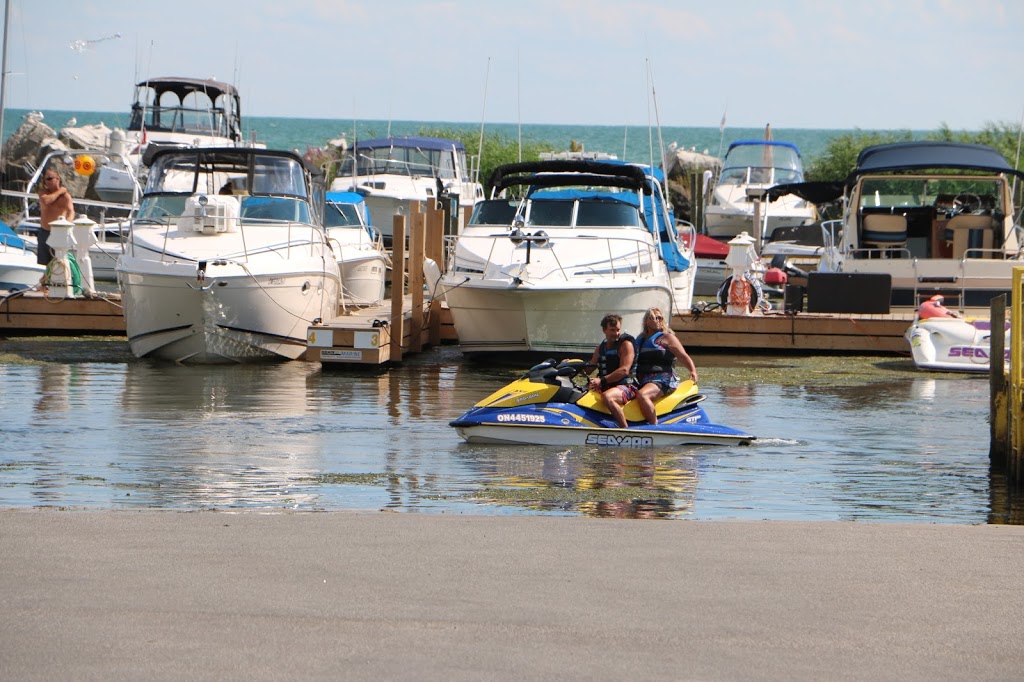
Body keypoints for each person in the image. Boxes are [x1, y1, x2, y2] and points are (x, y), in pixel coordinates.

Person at [633, 307, 698, 425]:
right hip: (642, 379)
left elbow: (683, 356)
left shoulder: (667, 338)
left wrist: (692, 370)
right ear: (646, 321)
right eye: (653, 318)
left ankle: (654, 425)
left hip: (663, 379)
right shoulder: (640, 340)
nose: (657, 320)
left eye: (660, 318)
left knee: (642, 395)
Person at [586, 313, 636, 429]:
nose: (616, 333)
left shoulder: (625, 345)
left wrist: (601, 380)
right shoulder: (600, 348)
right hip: (606, 385)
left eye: (618, 330)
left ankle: (625, 430)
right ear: (604, 330)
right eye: (612, 330)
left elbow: (624, 370)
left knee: (608, 397)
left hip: (627, 386)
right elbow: (589, 368)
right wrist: (571, 365)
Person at [37, 167, 76, 286]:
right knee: (45, 261)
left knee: (57, 259)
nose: (47, 182)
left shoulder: (65, 197)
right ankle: (45, 283)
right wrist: (60, 191)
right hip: (45, 231)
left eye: (49, 179)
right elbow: (46, 201)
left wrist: (67, 225)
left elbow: (71, 212)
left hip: (58, 232)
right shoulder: (43, 193)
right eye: (45, 180)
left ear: (57, 179)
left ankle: (47, 282)